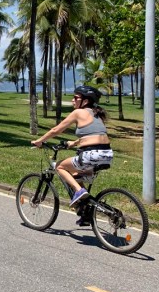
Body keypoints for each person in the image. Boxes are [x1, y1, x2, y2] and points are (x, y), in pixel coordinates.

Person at [31, 85, 113, 224]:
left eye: (76, 98)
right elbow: (94, 135)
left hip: (91, 154)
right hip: (107, 154)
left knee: (60, 167)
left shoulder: (78, 113)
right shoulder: (96, 114)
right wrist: (74, 143)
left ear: (85, 101)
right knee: (75, 177)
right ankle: (86, 212)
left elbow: (56, 130)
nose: (72, 100)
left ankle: (79, 192)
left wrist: (39, 141)